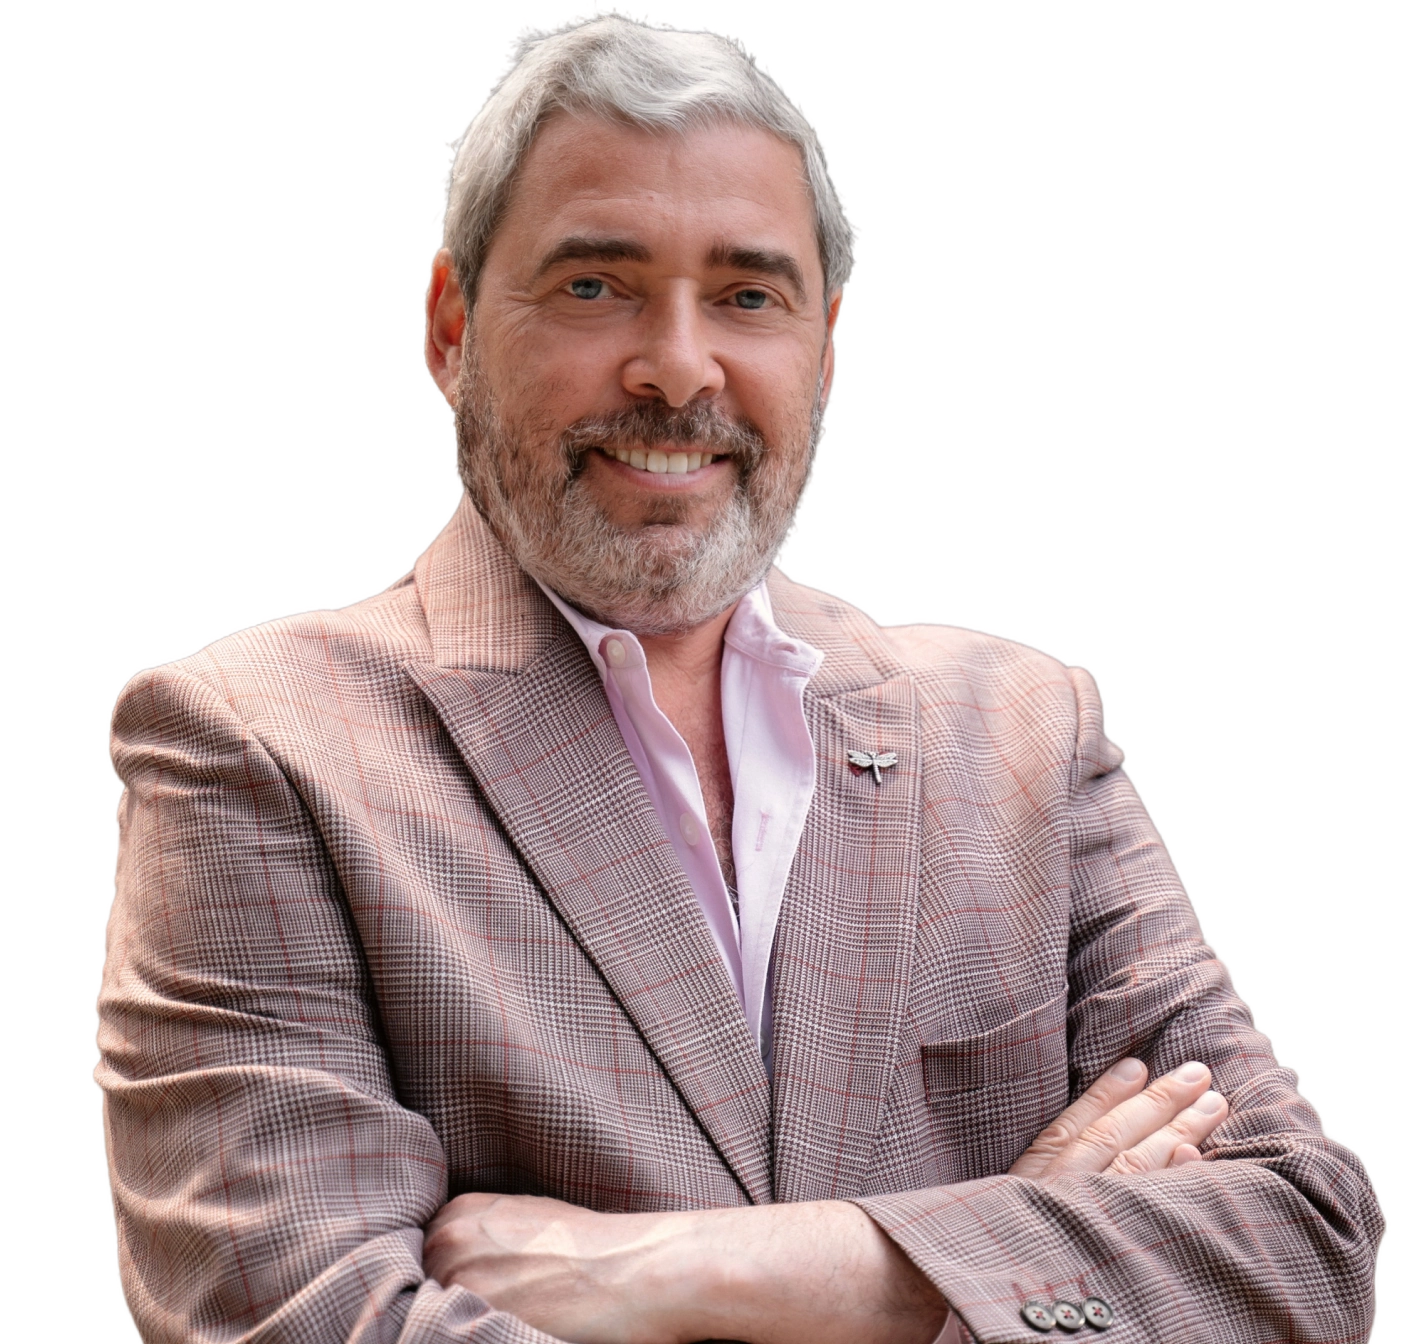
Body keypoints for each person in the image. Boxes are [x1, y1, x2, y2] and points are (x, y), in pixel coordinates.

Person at [95, 12, 1384, 1343]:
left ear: (826, 347)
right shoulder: (257, 745)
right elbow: (305, 1324)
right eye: (595, 286)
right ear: (451, 325)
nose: (678, 367)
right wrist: (1006, 1254)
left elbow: (1309, 1245)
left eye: (748, 296)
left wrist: (690, 1272)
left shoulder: (1021, 730)